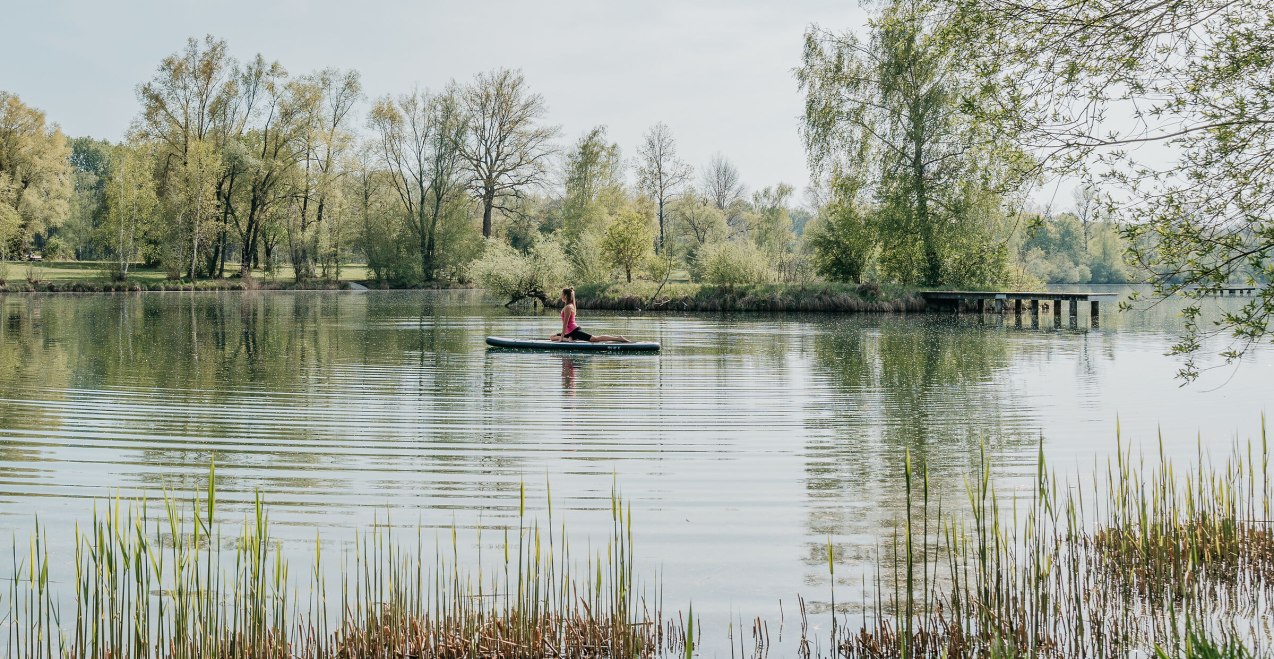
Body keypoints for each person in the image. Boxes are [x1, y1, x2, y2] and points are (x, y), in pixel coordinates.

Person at [550, 287, 630, 343]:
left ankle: (618, 338)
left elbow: (565, 324)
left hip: (574, 331)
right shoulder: (569, 306)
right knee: (552, 337)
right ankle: (568, 339)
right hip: (569, 333)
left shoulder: (568, 307)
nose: (561, 296)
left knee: (594, 339)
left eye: (562, 294)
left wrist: (561, 338)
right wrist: (563, 337)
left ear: (565, 296)